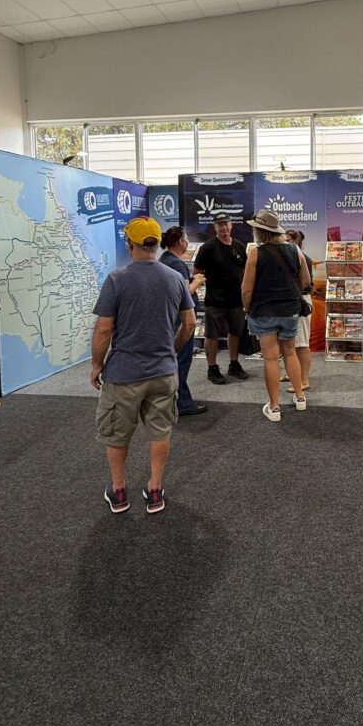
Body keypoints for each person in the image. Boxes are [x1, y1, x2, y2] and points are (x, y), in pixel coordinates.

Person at [92, 216, 196, 514]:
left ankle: (119, 491)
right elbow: (189, 323)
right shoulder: (176, 277)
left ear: (130, 243)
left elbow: (103, 330)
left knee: (116, 433)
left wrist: (97, 364)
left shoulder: (117, 279)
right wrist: (172, 350)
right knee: (160, 431)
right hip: (163, 371)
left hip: (123, 374)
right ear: (155, 243)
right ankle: (154, 490)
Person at [241, 208, 311, 422]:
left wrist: (246, 308)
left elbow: (246, 289)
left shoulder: (255, 252)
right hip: (289, 310)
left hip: (263, 311)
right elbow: (306, 281)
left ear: (260, 232)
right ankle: (300, 398)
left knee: (271, 358)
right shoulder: (294, 250)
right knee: (290, 352)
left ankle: (274, 407)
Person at [194, 211, 248, 385]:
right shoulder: (208, 247)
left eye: (226, 224)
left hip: (236, 300)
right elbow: (197, 272)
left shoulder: (240, 246)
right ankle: (212, 368)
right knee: (212, 335)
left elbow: (246, 271)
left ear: (231, 225)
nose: (224, 227)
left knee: (235, 332)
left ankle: (234, 364)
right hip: (215, 301)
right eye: (220, 224)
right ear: (215, 227)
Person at [159, 225, 208, 416]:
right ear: (180, 241)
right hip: (180, 320)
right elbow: (184, 293)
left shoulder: (164, 260)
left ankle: (171, 399)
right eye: (186, 238)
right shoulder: (177, 264)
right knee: (182, 360)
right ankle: (183, 403)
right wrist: (197, 281)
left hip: (169, 317)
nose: (187, 242)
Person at [284, 229, 313, 393]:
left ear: (296, 242)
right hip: (292, 301)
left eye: (288, 241)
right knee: (291, 343)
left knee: (302, 343)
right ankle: (293, 374)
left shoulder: (303, 258)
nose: (285, 244)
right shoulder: (290, 257)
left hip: (300, 301)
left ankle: (304, 380)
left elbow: (305, 283)